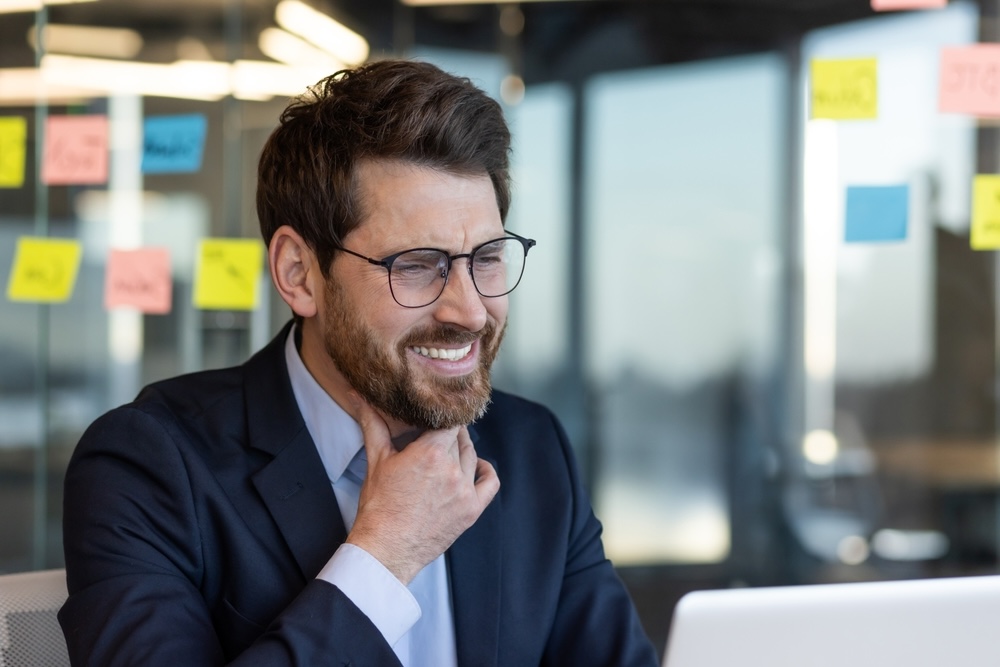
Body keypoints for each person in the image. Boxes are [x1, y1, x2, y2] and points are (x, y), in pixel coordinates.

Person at [58, 58, 658, 666]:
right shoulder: (151, 464)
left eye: (488, 258)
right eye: (418, 264)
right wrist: (384, 553)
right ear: (299, 274)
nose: (471, 312)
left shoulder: (531, 450)